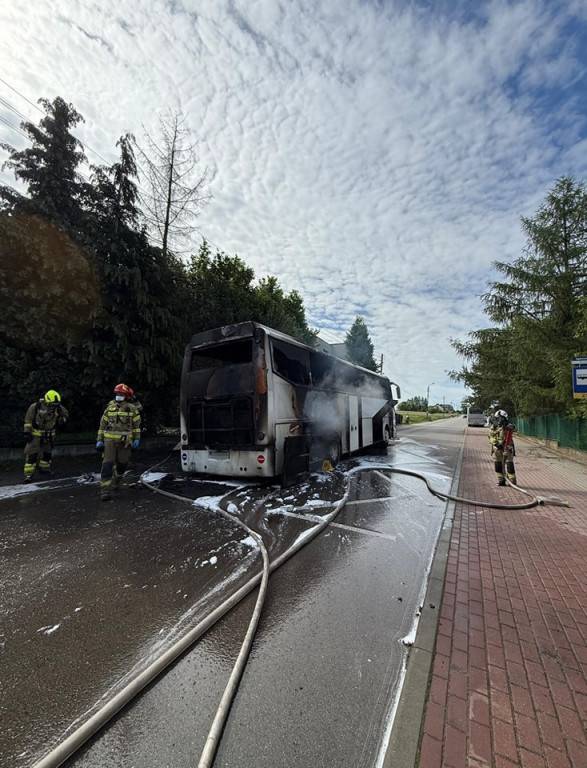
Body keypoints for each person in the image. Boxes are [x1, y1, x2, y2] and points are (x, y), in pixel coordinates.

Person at [95, 383, 141, 501]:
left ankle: (117, 481)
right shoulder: (109, 408)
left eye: (121, 394)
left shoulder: (132, 408)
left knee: (122, 464)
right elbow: (102, 425)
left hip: (125, 442)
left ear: (126, 396)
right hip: (109, 441)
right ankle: (105, 491)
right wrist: (99, 440)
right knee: (107, 464)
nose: (118, 396)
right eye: (117, 394)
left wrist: (136, 438)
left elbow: (136, 426)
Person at [23, 390, 69, 483]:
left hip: (49, 434)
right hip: (35, 434)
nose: (53, 406)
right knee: (32, 454)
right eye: (52, 404)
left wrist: (61, 420)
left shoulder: (58, 407)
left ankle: (44, 470)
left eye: (55, 404)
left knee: (47, 454)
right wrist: (27, 432)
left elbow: (66, 415)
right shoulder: (35, 407)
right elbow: (28, 420)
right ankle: (28, 475)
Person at [489, 409, 517, 486]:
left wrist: (511, 427)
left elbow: (515, 428)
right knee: (498, 465)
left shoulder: (508, 426)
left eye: (501, 418)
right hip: (497, 449)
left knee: (509, 465)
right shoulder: (494, 427)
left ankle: (512, 481)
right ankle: (501, 480)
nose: (499, 420)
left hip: (507, 448)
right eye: (497, 418)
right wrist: (495, 443)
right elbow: (490, 436)